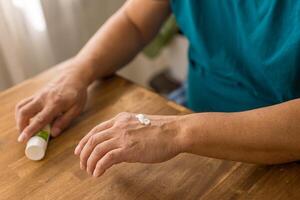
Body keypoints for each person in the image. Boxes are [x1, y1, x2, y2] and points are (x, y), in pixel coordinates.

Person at [15, 0, 300, 177]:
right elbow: (134, 22)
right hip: (190, 110)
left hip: (277, 146)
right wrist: (77, 73)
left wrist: (175, 132)